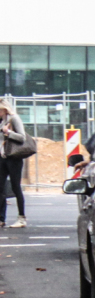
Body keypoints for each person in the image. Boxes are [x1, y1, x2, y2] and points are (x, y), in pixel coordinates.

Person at [0, 97, 29, 228]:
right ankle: (1, 218)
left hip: (14, 157)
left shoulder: (14, 119)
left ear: (4, 109)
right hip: (2, 157)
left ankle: (21, 218)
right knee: (0, 188)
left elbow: (22, 137)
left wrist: (8, 132)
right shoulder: (1, 121)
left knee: (15, 187)